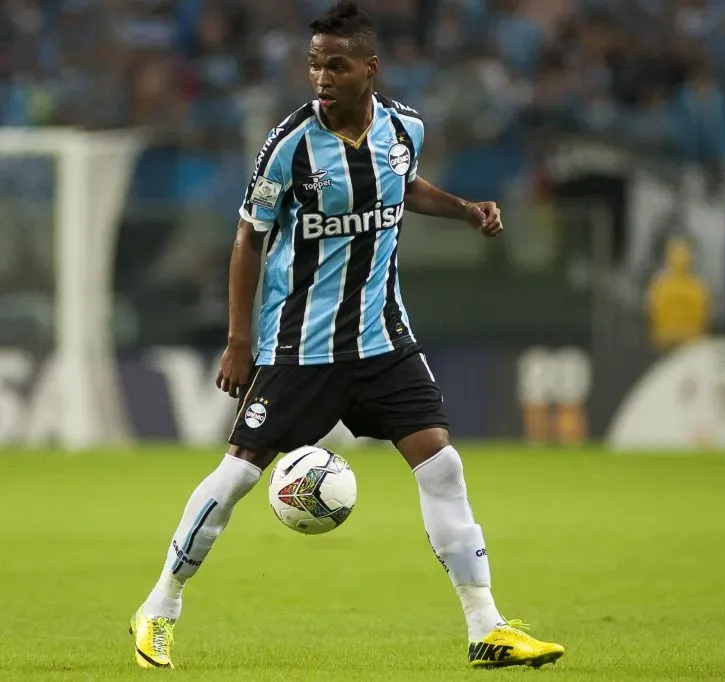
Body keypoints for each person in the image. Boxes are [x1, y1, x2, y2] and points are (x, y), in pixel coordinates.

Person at [128, 0, 564, 671]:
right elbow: (249, 236)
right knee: (240, 474)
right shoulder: (290, 145)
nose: (322, 77)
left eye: (336, 65)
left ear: (369, 68)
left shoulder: (404, 128)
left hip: (384, 338)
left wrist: (465, 211)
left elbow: (403, 185)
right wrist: (239, 341)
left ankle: (487, 627)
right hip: (303, 344)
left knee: (442, 465)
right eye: (313, 65)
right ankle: (160, 606)